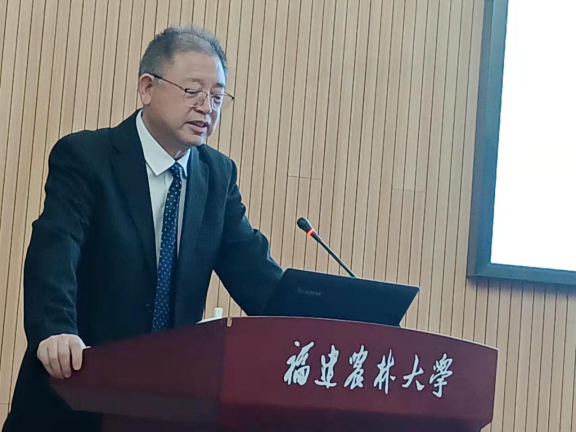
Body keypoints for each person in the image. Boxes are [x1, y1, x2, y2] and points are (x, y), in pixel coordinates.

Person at [3, 25, 283, 431]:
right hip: (77, 391)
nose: (206, 107)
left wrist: (333, 322)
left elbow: (256, 275)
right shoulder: (86, 157)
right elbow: (57, 247)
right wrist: (56, 329)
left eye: (217, 96)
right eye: (193, 91)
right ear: (147, 87)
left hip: (164, 405)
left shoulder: (217, 176)